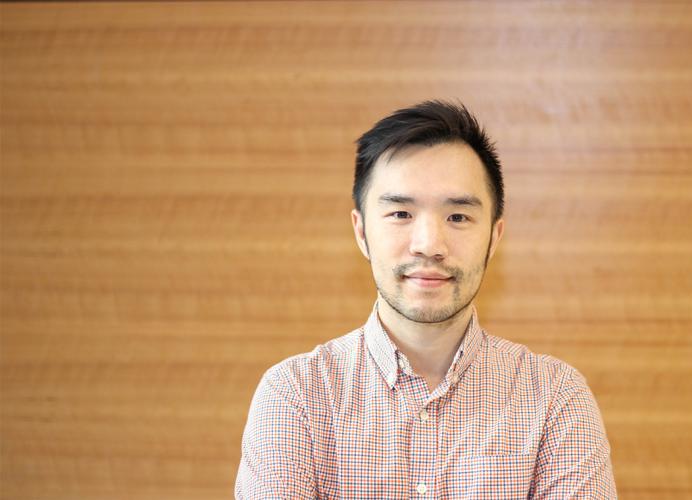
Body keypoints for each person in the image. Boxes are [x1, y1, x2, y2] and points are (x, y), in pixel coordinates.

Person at [235, 100, 617, 499]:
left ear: (494, 237)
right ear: (361, 232)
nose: (429, 245)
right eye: (401, 213)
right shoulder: (295, 395)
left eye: (458, 217)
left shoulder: (555, 399)